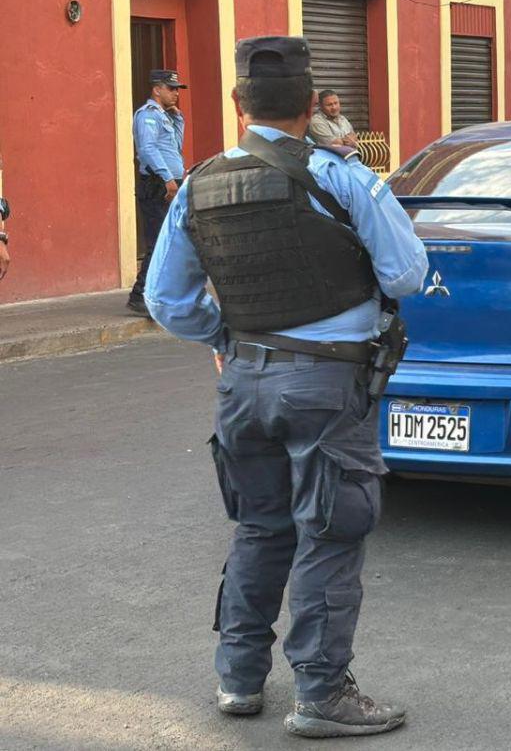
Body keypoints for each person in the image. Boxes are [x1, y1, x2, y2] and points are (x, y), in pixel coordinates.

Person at [144, 36, 427, 738]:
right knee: (330, 533)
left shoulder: (202, 182)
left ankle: (238, 680)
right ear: (310, 107)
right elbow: (406, 276)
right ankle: (322, 694)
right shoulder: (345, 178)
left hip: (244, 382)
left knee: (259, 529)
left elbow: (168, 301)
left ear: (239, 105)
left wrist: (225, 338)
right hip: (329, 385)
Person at [128, 69, 187, 317]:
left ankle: (160, 293)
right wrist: (167, 179)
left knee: (172, 239)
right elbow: (148, 149)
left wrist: (179, 119)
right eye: (171, 88)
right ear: (157, 89)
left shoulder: (166, 116)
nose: (175, 93)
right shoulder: (148, 116)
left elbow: (176, 148)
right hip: (157, 185)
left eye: (177, 89)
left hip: (170, 183)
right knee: (158, 241)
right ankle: (139, 295)